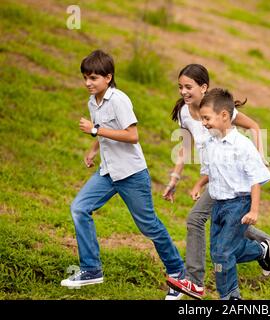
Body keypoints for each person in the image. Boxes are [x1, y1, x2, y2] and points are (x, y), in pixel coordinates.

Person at [162, 64, 270, 299]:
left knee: (198, 221)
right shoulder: (185, 113)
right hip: (216, 178)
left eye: (188, 87)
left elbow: (254, 127)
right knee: (236, 228)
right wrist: (175, 178)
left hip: (234, 181)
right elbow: (185, 148)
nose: (183, 92)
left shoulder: (220, 109)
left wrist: (260, 156)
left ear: (203, 88)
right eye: (180, 87)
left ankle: (195, 281)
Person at [60, 50, 185, 300]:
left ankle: (179, 275)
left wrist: (95, 131)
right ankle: (91, 269)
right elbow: (106, 131)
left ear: (108, 77)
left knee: (148, 226)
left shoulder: (119, 100)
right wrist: (93, 149)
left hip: (131, 174)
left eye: (93, 78)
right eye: (85, 77)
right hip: (107, 172)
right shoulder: (92, 101)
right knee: (79, 208)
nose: (88, 83)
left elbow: (132, 135)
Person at [169, 88, 270, 300]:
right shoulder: (210, 142)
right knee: (218, 251)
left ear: (224, 116)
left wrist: (254, 209)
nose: (204, 123)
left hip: (239, 203)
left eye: (207, 118)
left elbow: (255, 178)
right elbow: (210, 171)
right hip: (218, 204)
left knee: (222, 253)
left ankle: (230, 296)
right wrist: (198, 185)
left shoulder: (242, 146)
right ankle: (260, 250)